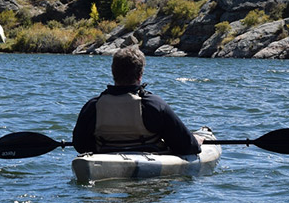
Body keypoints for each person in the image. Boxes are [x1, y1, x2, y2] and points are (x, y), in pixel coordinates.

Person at [72, 45, 202, 155]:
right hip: (150, 166)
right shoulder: (153, 105)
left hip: (106, 161)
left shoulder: (93, 106)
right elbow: (188, 147)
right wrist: (196, 140)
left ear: (113, 73)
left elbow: (80, 145)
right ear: (140, 75)